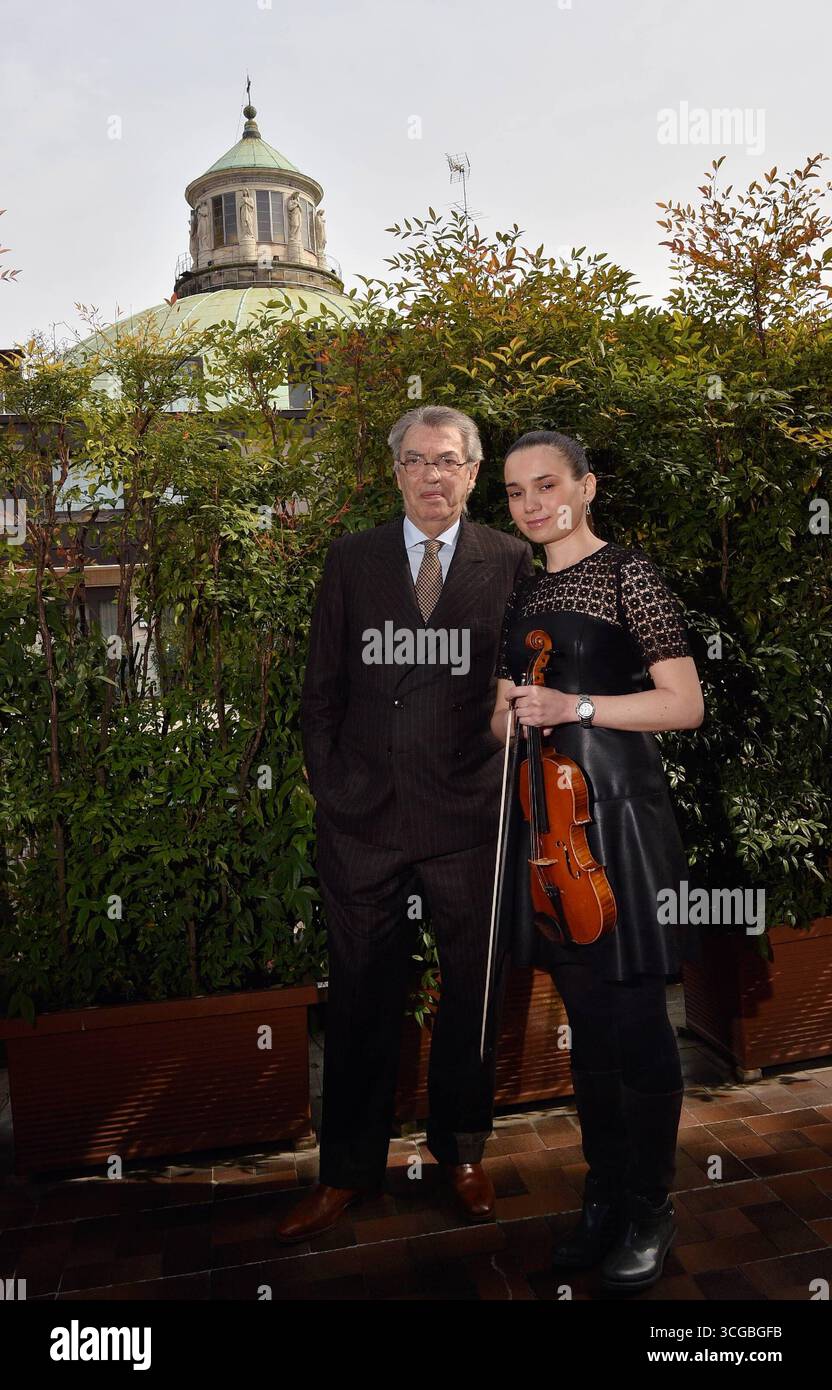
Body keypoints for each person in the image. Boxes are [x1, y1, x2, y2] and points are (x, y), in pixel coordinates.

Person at [275, 405, 534, 1241]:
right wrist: (332, 785)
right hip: (365, 824)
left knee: (474, 992)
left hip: (469, 816)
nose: (432, 475)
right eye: (417, 460)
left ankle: (461, 1153)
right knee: (359, 1000)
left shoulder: (512, 559)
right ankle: (347, 1171)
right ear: (396, 472)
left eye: (449, 461)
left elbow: (523, 687)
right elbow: (321, 691)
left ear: (471, 472)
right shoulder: (352, 560)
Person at [490, 429, 704, 1294]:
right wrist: (509, 712)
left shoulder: (628, 574)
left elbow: (684, 703)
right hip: (551, 834)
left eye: (547, 485)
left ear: (586, 488)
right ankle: (604, 1194)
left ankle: (652, 1207)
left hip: (617, 822)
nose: (532, 504)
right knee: (588, 1035)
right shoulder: (522, 596)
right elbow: (506, 726)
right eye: (513, 492)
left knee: (639, 1027)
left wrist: (576, 700)